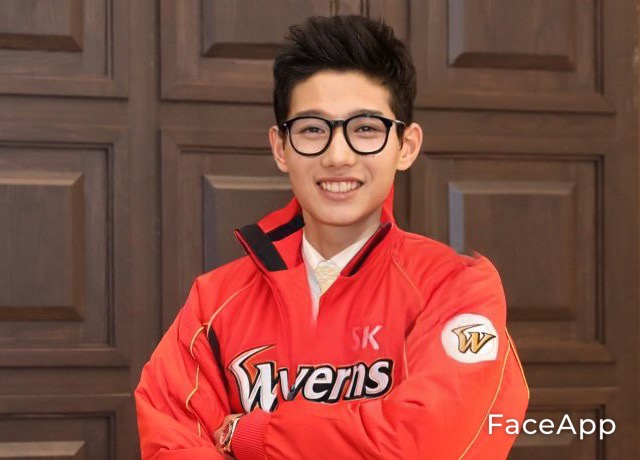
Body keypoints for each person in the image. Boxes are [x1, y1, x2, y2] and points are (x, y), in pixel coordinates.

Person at [135, 15, 529, 460]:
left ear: (406, 146)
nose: (338, 156)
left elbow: (425, 443)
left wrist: (255, 434)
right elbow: (170, 442)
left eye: (365, 129)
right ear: (280, 148)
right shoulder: (213, 305)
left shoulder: (456, 290)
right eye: (312, 129)